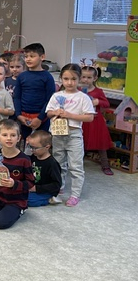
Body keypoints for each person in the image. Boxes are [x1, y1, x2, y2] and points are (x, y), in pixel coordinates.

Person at [45, 64, 94, 207]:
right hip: (58, 133)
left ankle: (75, 194)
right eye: (66, 79)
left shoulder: (83, 97)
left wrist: (69, 115)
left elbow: (89, 117)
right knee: (58, 163)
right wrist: (56, 112)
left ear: (79, 79)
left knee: (76, 165)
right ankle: (59, 187)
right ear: (61, 79)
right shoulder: (56, 95)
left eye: (73, 79)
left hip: (74, 134)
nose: (70, 82)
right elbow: (48, 113)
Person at [0, 120, 34, 230]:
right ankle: (3, 209)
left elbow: (30, 183)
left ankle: (21, 210)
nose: (9, 138)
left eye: (13, 135)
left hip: (16, 201)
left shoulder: (24, 160)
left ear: (18, 138)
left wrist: (14, 184)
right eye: (5, 135)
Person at [13, 43, 55, 141]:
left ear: (42, 57)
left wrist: (40, 118)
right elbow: (17, 97)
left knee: (41, 144)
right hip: (24, 118)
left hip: (41, 118)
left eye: (32, 56)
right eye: (26, 56)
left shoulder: (47, 77)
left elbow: (50, 100)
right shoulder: (21, 76)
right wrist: (19, 115)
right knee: (25, 143)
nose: (28, 59)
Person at [80, 66, 114, 176]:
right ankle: (77, 165)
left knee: (101, 144)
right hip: (82, 121)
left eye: (89, 77)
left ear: (94, 78)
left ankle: (105, 165)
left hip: (96, 122)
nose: (85, 80)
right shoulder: (78, 90)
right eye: (83, 77)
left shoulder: (98, 91)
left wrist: (98, 101)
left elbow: (106, 104)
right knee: (81, 143)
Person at [26, 130, 62, 207]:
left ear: (47, 147)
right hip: (32, 188)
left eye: (35, 148)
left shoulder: (52, 164)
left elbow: (56, 185)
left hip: (45, 191)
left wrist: (36, 188)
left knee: (27, 200)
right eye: (30, 147)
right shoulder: (33, 157)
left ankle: (50, 199)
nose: (32, 150)